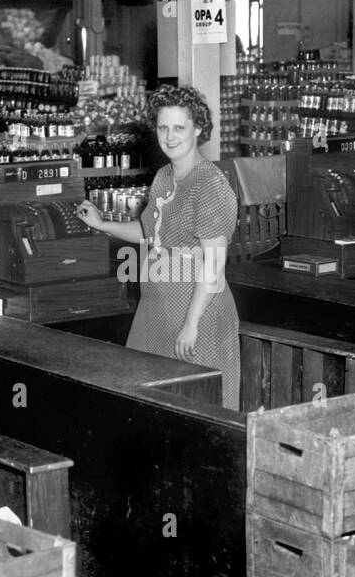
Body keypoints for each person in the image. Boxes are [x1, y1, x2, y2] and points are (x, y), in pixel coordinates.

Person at [76, 85, 241, 410]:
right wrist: (102, 224)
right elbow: (149, 231)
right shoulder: (164, 177)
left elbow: (213, 264)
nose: (170, 136)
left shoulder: (209, 183)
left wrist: (191, 324)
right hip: (155, 315)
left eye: (179, 127)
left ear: (197, 129)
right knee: (148, 408)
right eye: (163, 127)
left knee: (202, 410)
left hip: (198, 317)